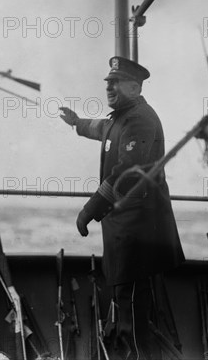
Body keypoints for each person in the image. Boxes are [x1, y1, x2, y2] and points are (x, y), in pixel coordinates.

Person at [59, 56, 185, 360]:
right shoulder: (123, 117)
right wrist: (77, 123)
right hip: (125, 230)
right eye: (108, 83)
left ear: (134, 86)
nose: (109, 88)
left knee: (130, 309)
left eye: (115, 83)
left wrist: (89, 209)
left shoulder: (139, 119)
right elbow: (101, 129)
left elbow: (126, 172)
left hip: (136, 230)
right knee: (126, 304)